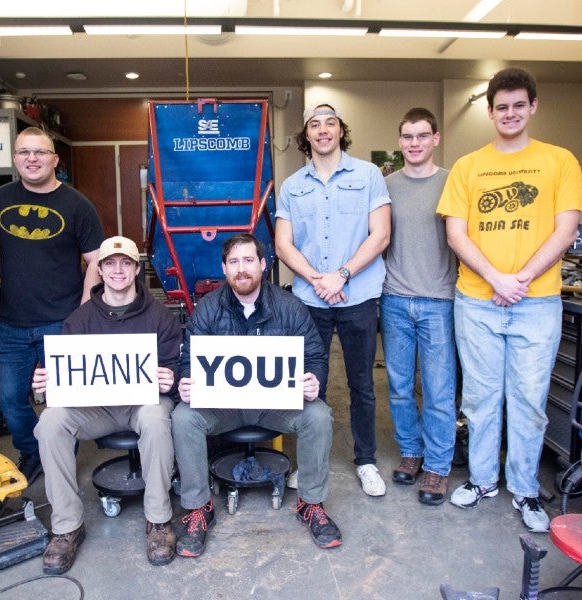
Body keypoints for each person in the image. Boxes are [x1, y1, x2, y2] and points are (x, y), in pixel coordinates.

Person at [437, 67, 582, 532]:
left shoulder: (560, 161)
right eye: (502, 107)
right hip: (477, 302)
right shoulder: (467, 166)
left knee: (528, 400)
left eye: (519, 105)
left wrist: (518, 278)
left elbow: (567, 229)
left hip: (537, 302)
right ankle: (483, 481)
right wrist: (495, 278)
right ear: (490, 111)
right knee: (480, 399)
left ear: (533, 107)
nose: (510, 113)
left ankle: (524, 490)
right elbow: (455, 233)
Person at [172, 233, 339, 557]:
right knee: (183, 417)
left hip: (274, 406)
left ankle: (311, 502)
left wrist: (314, 380)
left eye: (249, 260)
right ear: (224, 268)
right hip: (225, 408)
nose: (242, 269)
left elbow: (315, 356)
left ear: (263, 264)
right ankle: (198, 507)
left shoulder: (290, 307)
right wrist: (186, 381)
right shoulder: (207, 309)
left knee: (318, 415)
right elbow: (187, 359)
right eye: (234, 262)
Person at [30, 236, 181, 572]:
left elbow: (175, 367)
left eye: (125, 262)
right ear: (98, 270)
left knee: (157, 419)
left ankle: (158, 521)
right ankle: (67, 526)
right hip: (96, 409)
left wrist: (169, 377)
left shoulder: (160, 317)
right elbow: (65, 378)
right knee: (51, 422)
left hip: (142, 405)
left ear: (136, 269)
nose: (117, 270)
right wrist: (47, 384)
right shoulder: (80, 320)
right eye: (109, 263)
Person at [275, 103, 391, 497]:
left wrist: (341, 275)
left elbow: (381, 235)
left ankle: (366, 461)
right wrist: (317, 279)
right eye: (314, 125)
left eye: (330, 123)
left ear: (342, 130)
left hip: (357, 295)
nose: (323, 130)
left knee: (362, 384)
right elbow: (283, 244)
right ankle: (310, 462)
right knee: (311, 385)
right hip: (311, 299)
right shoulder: (292, 186)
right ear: (306, 135)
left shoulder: (369, 175)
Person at [0, 127, 104, 484]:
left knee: (62, 401)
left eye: (40, 152)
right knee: (8, 399)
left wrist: (82, 313)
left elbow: (95, 261)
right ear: (15, 159)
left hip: (61, 320)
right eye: (24, 152)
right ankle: (33, 451)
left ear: (55, 159)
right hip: (12, 323)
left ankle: (60, 456)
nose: (31, 159)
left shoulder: (77, 205)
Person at [381, 107, 458, 506]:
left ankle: (438, 467)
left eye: (422, 136)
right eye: (408, 136)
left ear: (436, 139)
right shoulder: (386, 186)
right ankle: (411, 453)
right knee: (398, 387)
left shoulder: (452, 183)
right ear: (400, 142)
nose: (415, 143)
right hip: (394, 299)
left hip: (439, 301)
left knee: (439, 390)